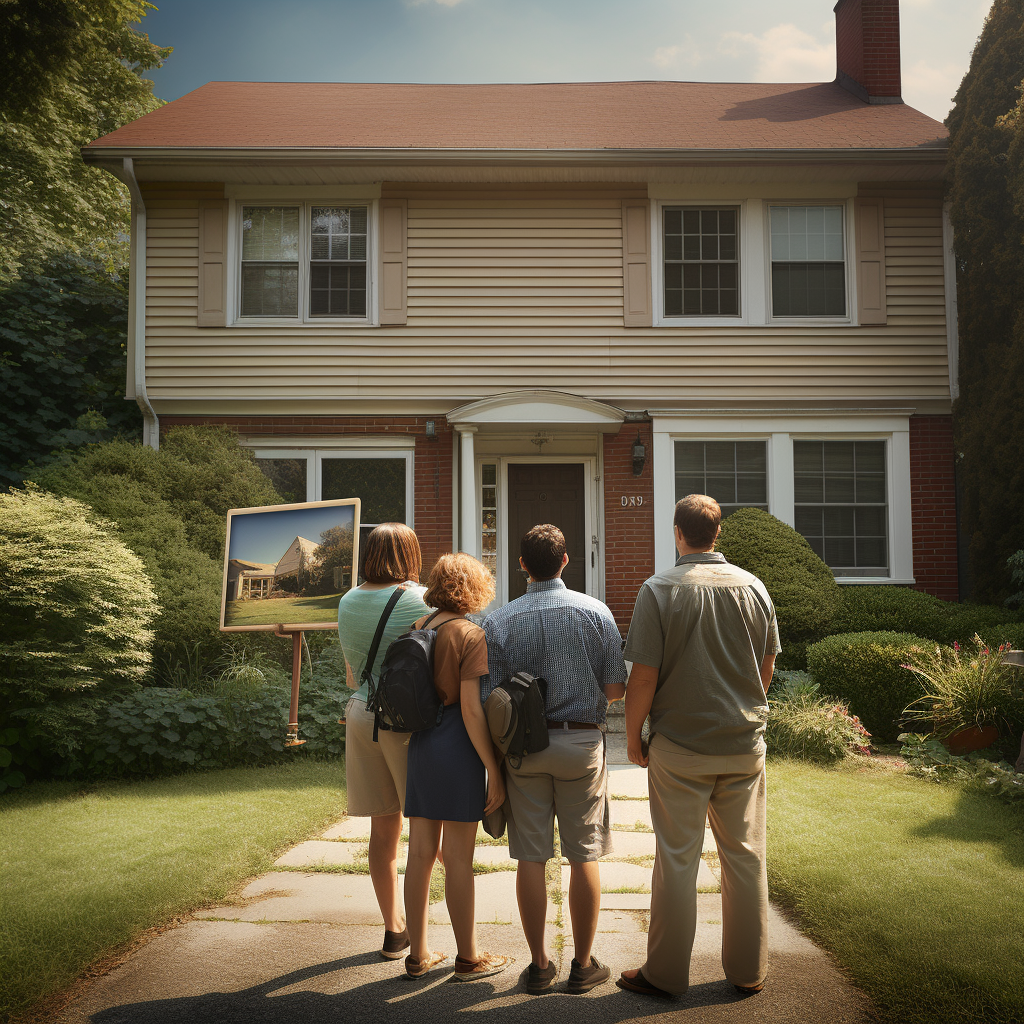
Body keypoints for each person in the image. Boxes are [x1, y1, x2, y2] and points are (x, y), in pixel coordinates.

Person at [617, 494, 780, 1000]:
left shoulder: (659, 588)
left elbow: (642, 678)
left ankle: (665, 975)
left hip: (681, 748)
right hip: (742, 744)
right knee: (746, 858)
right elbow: (766, 666)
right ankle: (749, 970)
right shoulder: (754, 587)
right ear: (718, 533)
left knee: (676, 860)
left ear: (677, 532)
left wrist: (632, 736)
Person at [484, 524, 627, 995]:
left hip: (524, 749)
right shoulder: (596, 613)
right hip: (582, 744)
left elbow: (492, 699)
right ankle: (583, 966)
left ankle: (540, 965)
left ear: (521, 565)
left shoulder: (499, 621)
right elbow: (613, 690)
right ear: (566, 561)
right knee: (583, 854)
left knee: (531, 856)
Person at [402, 553, 511, 980]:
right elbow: (470, 708)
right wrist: (494, 769)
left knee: (420, 854)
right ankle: (469, 957)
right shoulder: (469, 633)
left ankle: (418, 955)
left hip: (421, 744)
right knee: (459, 859)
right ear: (474, 588)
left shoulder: (418, 628)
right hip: (456, 746)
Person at [337, 523, 431, 962]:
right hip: (403, 720)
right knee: (426, 825)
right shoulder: (420, 599)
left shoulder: (347, 600)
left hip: (359, 712)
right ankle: (422, 932)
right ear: (409, 554)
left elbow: (354, 673)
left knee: (383, 827)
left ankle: (394, 930)